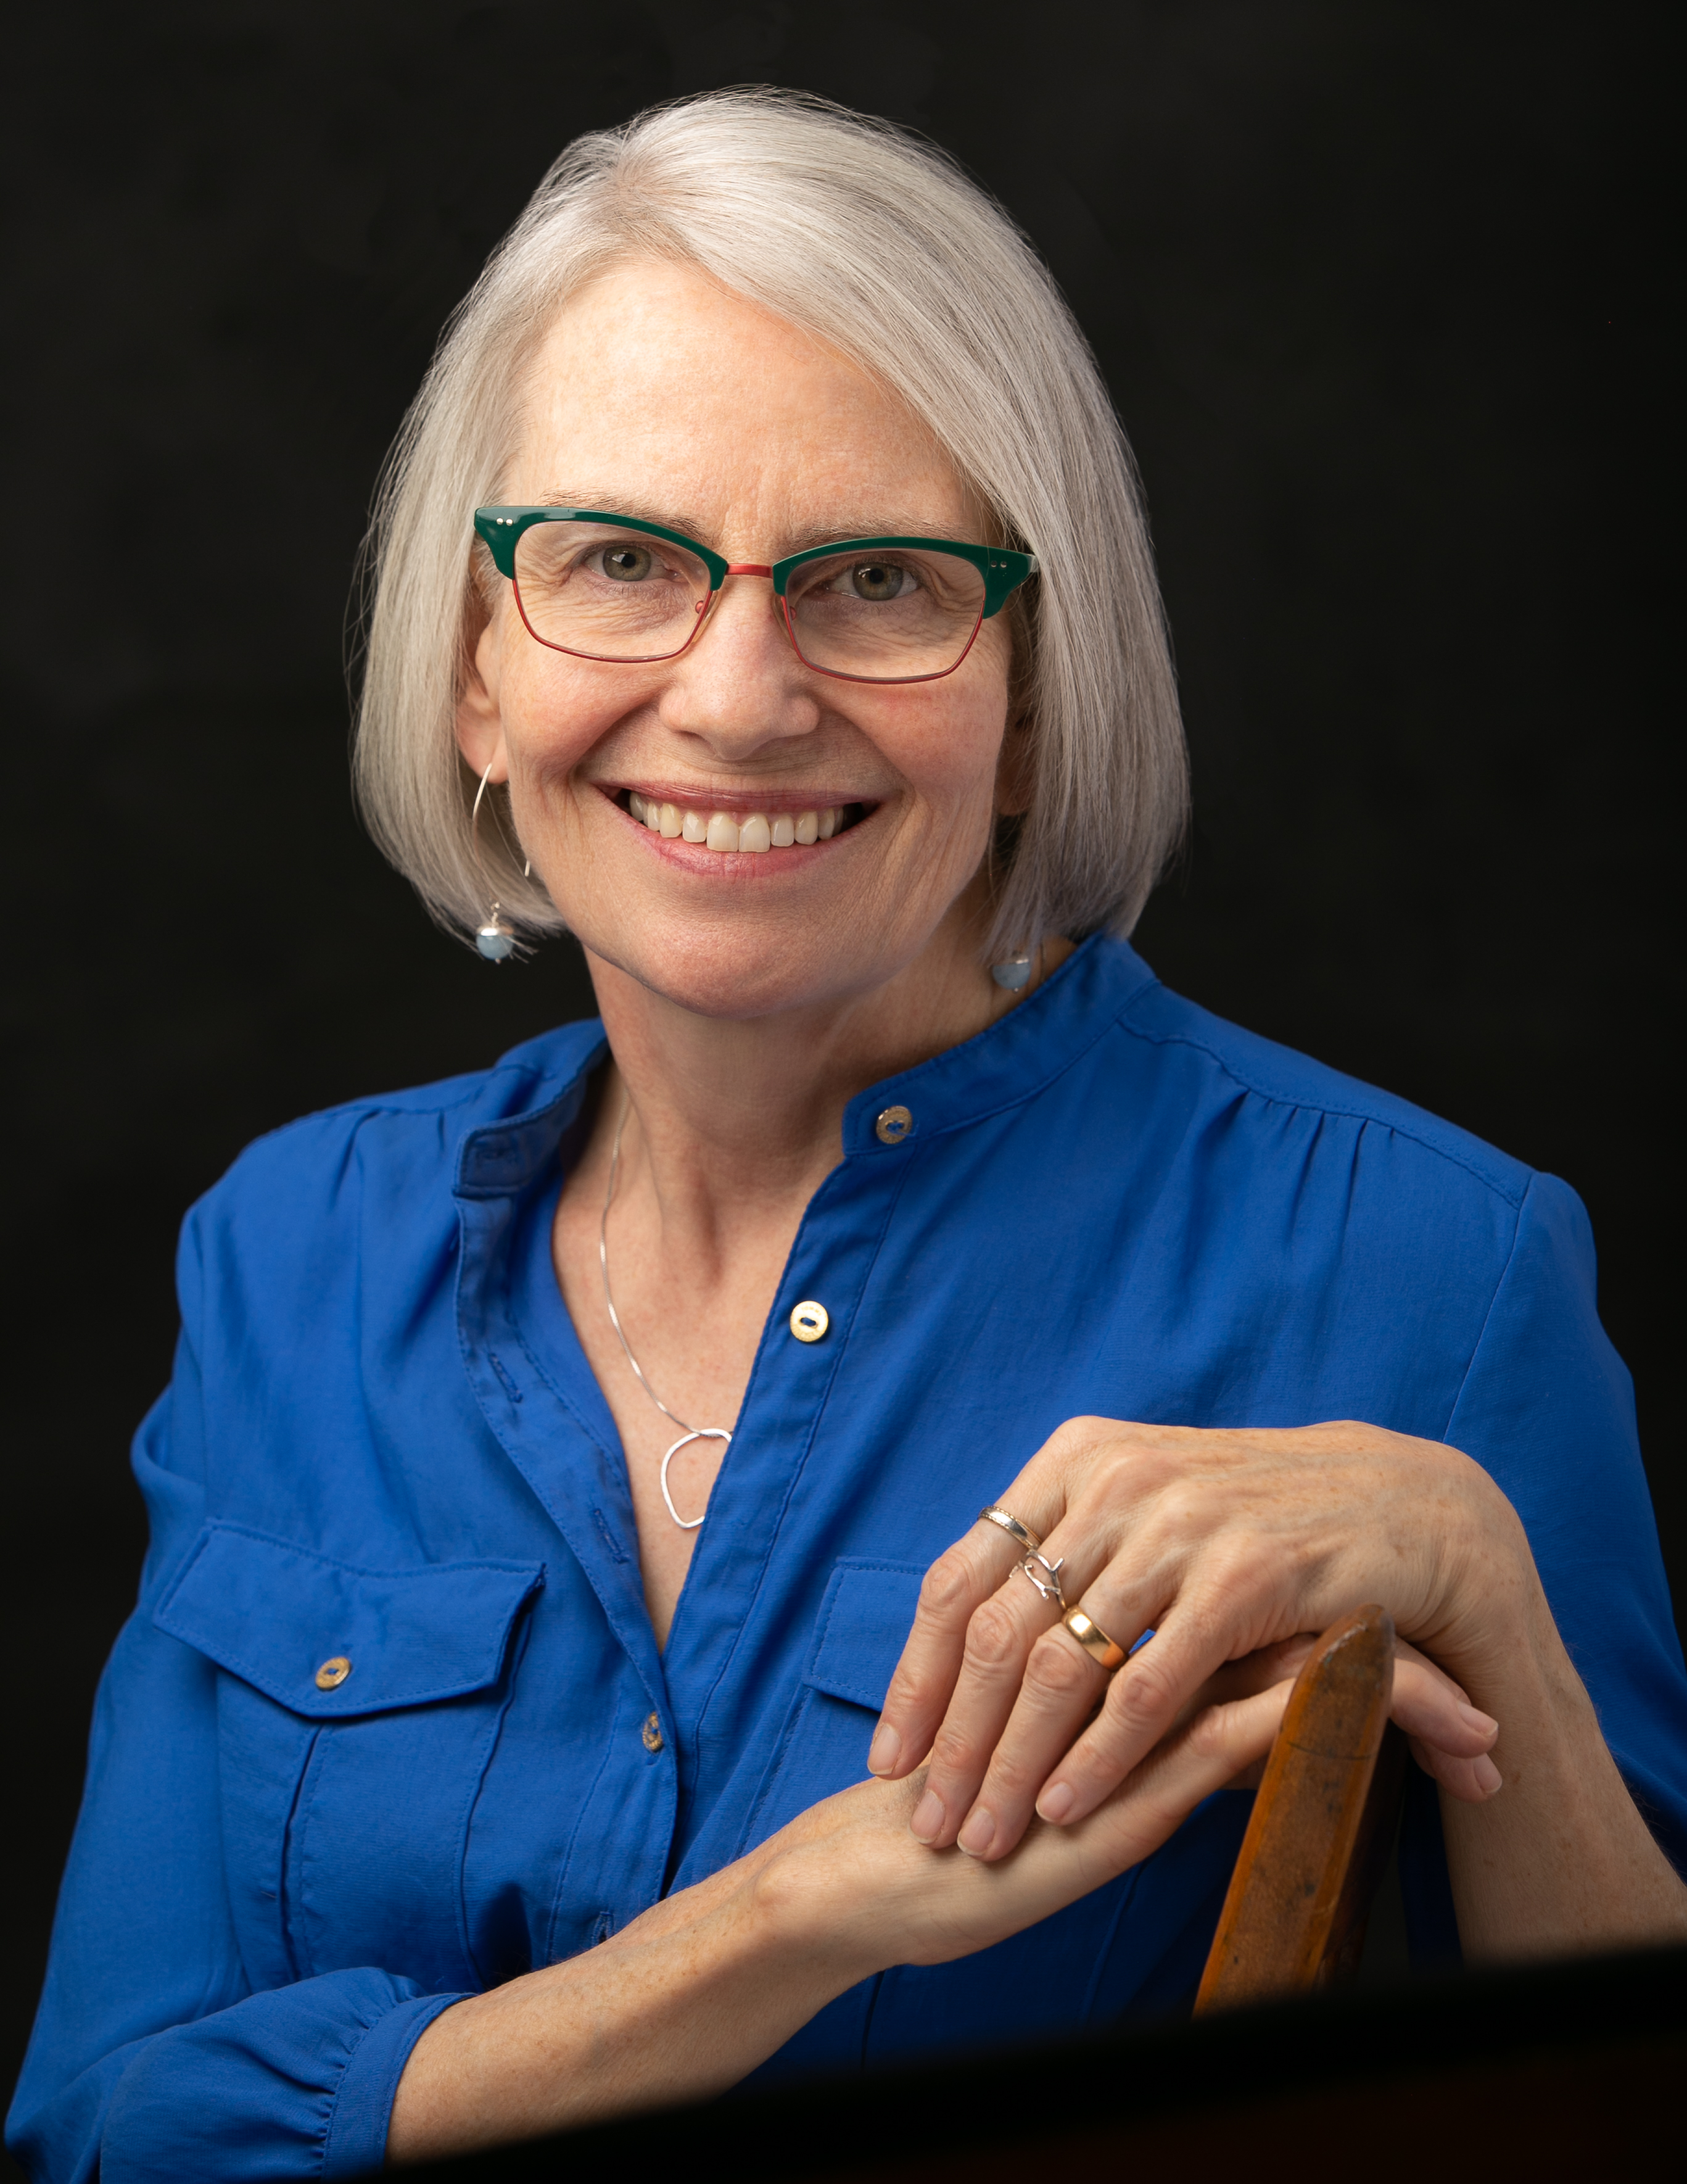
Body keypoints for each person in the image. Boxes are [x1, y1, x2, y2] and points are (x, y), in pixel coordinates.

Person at [10, 88, 1686, 2181]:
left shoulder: (1426, 1277)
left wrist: (1475, 1575)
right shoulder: (290, 1253)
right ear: (469, 665)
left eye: (877, 580)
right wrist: (789, 1923)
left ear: (1038, 697)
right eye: (619, 558)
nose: (734, 698)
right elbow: (106, 2126)